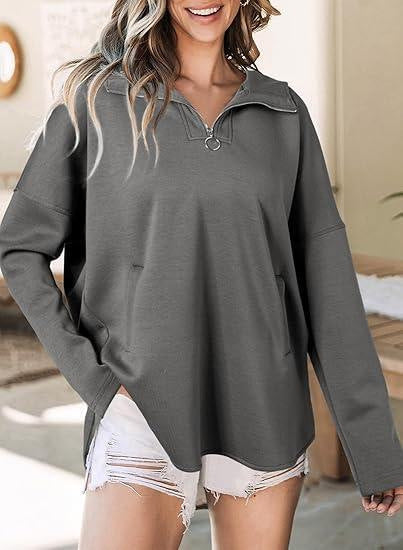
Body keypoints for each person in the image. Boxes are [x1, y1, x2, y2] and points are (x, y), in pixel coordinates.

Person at [0, 0, 402, 548]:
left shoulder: (282, 113)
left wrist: (373, 444)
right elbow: (20, 247)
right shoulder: (95, 102)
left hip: (264, 405)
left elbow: (326, 281)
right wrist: (96, 383)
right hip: (138, 408)